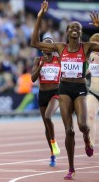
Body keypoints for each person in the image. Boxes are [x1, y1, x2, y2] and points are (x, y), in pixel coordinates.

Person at [31, 1, 99, 180]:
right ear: (67, 32)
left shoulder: (86, 47)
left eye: (78, 28)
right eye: (72, 28)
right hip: (63, 88)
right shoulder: (60, 47)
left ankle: (86, 139)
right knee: (69, 130)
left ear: (80, 32)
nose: (75, 30)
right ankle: (71, 168)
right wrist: (39, 17)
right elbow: (34, 42)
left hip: (79, 88)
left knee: (83, 125)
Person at [31, 37, 61, 167]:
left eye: (50, 45)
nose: (47, 48)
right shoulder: (38, 60)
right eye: (45, 45)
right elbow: (32, 78)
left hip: (56, 93)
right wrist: (41, 66)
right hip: (42, 94)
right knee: (46, 126)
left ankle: (54, 143)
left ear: (53, 48)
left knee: (48, 117)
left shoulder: (58, 59)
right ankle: (52, 154)